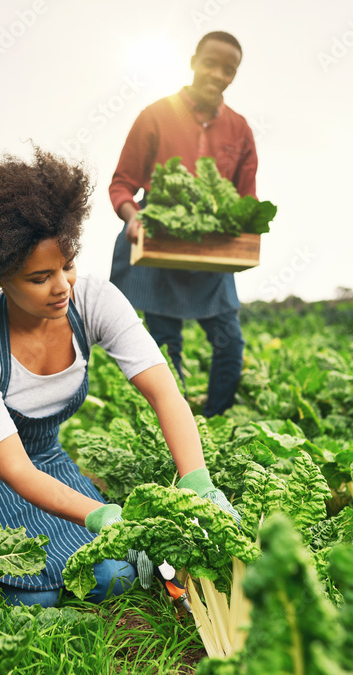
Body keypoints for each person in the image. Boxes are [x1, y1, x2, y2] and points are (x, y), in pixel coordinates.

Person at [0, 148, 238, 608]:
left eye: (67, 265)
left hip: (44, 458)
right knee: (38, 595)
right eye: (39, 277)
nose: (62, 287)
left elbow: (164, 393)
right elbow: (13, 469)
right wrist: (101, 513)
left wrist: (197, 481)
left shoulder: (92, 301)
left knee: (114, 576)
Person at [109, 30, 257, 418]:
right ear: (193, 61)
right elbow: (122, 183)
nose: (218, 75)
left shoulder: (240, 129)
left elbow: (247, 198)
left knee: (230, 343)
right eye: (211, 64)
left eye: (230, 70)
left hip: (211, 250)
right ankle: (176, 423)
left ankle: (213, 422)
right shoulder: (156, 115)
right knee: (165, 344)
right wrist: (133, 215)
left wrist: (245, 229)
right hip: (162, 243)